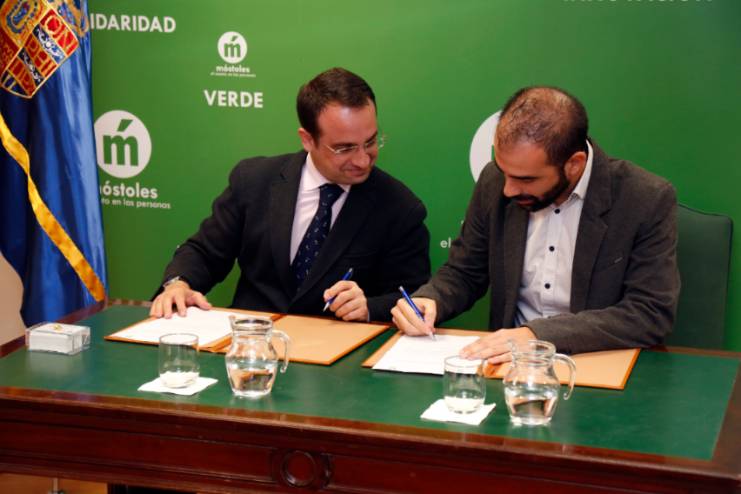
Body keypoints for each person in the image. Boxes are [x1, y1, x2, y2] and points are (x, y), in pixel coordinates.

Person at [391, 86, 679, 361]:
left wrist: (536, 335)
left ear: (574, 164)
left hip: (595, 361)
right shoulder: (495, 181)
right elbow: (465, 272)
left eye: (526, 179)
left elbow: (649, 312)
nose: (508, 190)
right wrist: (431, 300)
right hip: (508, 367)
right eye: (504, 172)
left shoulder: (644, 199)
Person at [151, 67, 430, 321]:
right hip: (251, 343)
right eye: (344, 148)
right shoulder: (254, 180)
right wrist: (178, 283)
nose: (362, 159)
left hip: (339, 352)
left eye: (370, 142)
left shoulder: (399, 208)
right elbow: (204, 252)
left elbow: (415, 298)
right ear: (307, 139)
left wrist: (369, 307)